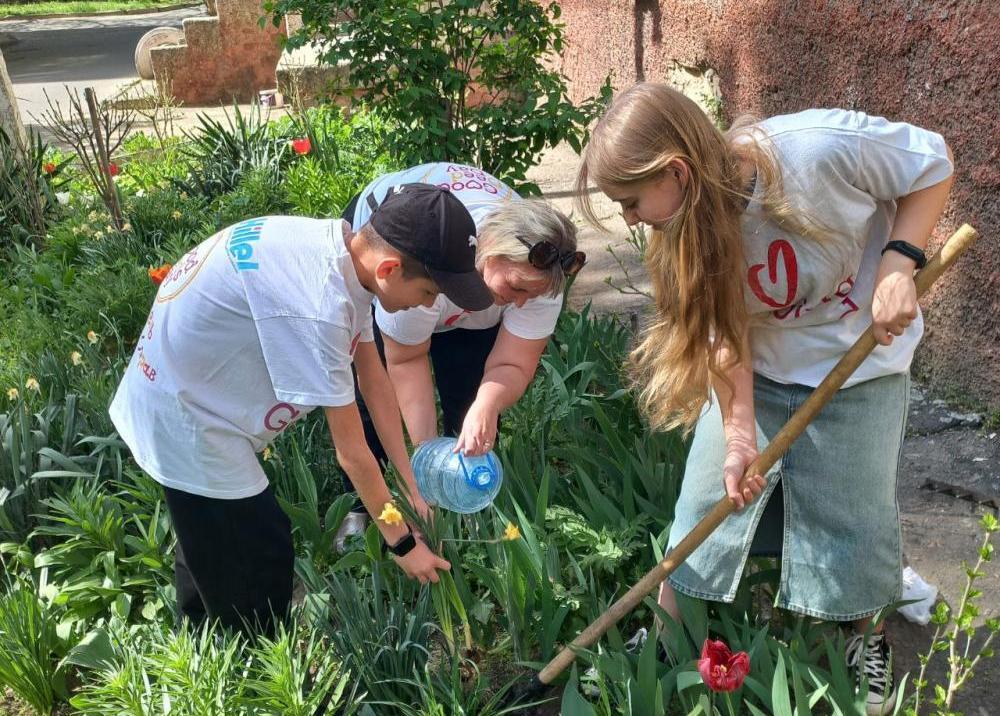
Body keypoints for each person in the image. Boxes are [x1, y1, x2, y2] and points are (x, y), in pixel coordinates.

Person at [576, 83, 954, 715]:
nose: (631, 220)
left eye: (632, 202)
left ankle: (865, 640)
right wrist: (742, 433)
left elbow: (932, 163)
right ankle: (667, 642)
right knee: (703, 503)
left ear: (677, 171)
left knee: (853, 513)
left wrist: (898, 262)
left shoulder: (819, 151)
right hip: (766, 363)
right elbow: (723, 334)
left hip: (861, 359)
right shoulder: (681, 234)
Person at [109, 184, 494, 634]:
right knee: (256, 551)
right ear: (390, 268)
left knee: (211, 535)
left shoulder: (343, 257)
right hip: (187, 416)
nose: (428, 305)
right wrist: (403, 543)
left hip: (195, 391)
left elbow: (374, 382)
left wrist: (412, 486)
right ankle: (259, 667)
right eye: (429, 291)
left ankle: (201, 640)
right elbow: (351, 454)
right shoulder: (319, 306)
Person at [334, 163, 585, 548]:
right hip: (396, 252)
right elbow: (406, 361)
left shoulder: (542, 277)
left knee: (469, 393)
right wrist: (424, 460)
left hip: (461, 279)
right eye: (516, 287)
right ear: (493, 251)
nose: (519, 303)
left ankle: (457, 496)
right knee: (374, 396)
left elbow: (513, 363)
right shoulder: (424, 261)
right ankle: (364, 503)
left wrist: (488, 403)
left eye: (530, 297)